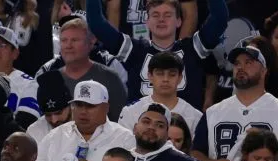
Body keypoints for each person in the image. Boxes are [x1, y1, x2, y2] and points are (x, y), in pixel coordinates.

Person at [87, 0, 227, 108]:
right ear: (147, 21)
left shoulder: (193, 48)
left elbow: (220, 19)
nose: (161, 19)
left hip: (185, 130)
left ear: (179, 21)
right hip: (142, 129)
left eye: (167, 15)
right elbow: (96, 24)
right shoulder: (134, 50)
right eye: (155, 15)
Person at [34, 80, 137, 161]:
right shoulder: (55, 136)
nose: (83, 111)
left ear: (106, 107)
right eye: (78, 105)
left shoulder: (124, 138)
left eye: (90, 106)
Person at [193, 43, 278, 161]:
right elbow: (195, 152)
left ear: (264, 71)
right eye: (237, 64)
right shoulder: (213, 112)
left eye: (248, 63)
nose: (240, 67)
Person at [43, 18, 128, 120]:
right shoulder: (46, 74)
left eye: (75, 40)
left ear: (90, 43)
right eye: (64, 40)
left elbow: (120, 118)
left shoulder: (110, 77)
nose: (68, 46)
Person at [117, 50, 202, 133]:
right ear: (150, 76)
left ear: (180, 78)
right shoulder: (130, 112)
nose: (165, 79)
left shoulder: (195, 117)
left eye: (172, 75)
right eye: (160, 74)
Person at [28, 71, 72, 143]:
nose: (54, 120)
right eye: (48, 115)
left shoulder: (87, 125)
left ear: (71, 105)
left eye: (58, 113)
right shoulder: (35, 131)